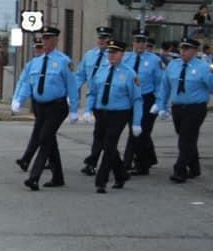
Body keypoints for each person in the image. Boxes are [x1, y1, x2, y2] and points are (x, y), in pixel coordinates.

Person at [12, 26, 80, 191]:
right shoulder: (34, 63)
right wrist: (18, 101)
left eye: (49, 38)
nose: (46, 41)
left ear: (56, 40)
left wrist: (74, 109)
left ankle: (34, 178)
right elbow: (28, 84)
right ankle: (58, 177)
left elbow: (72, 85)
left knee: (43, 138)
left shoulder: (63, 61)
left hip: (57, 106)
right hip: (39, 107)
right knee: (49, 140)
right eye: (44, 38)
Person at [84, 40, 142, 193]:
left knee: (109, 144)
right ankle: (121, 174)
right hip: (101, 112)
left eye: (115, 52)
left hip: (119, 113)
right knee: (105, 144)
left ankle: (101, 180)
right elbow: (92, 93)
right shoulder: (101, 71)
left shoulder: (129, 74)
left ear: (122, 54)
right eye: (110, 52)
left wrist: (136, 122)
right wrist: (88, 110)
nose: (112, 55)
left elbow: (137, 100)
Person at [154, 37, 213, 183]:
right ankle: (194, 167)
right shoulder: (173, 65)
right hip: (178, 108)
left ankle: (179, 170)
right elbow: (165, 87)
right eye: (182, 48)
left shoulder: (203, 67)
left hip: (195, 108)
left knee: (185, 140)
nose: (183, 52)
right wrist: (161, 106)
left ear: (194, 51)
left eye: (187, 49)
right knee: (187, 138)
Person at [121, 29, 162, 175]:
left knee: (137, 133)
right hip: (129, 98)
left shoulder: (154, 60)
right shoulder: (126, 58)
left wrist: (159, 102)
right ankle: (146, 162)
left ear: (146, 43)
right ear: (133, 43)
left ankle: (125, 165)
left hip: (146, 99)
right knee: (141, 134)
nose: (140, 44)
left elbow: (159, 83)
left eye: (143, 41)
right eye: (137, 41)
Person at [75, 26, 113, 176]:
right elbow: (80, 76)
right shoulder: (90, 55)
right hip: (94, 99)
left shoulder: (113, 56)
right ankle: (93, 163)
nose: (102, 41)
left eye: (105, 38)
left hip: (110, 101)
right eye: (100, 38)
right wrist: (71, 93)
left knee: (105, 136)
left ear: (110, 39)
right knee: (100, 134)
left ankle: (94, 162)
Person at [14, 36, 47, 172]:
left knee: (41, 133)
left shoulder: (56, 61)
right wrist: (17, 100)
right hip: (37, 102)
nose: (38, 50)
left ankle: (26, 160)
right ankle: (55, 168)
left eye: (40, 47)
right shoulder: (31, 64)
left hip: (52, 104)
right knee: (46, 135)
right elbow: (23, 82)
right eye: (36, 48)